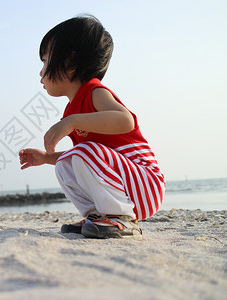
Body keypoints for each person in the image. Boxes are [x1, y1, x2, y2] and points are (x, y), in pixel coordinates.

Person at [19, 15, 165, 240]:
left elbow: (126, 120)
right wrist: (45, 158)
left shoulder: (95, 92)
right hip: (124, 184)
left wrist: (72, 122)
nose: (41, 72)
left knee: (80, 154)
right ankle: (97, 216)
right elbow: (84, 158)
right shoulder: (71, 111)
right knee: (65, 164)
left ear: (71, 63)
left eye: (46, 61)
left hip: (145, 182)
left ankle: (121, 218)